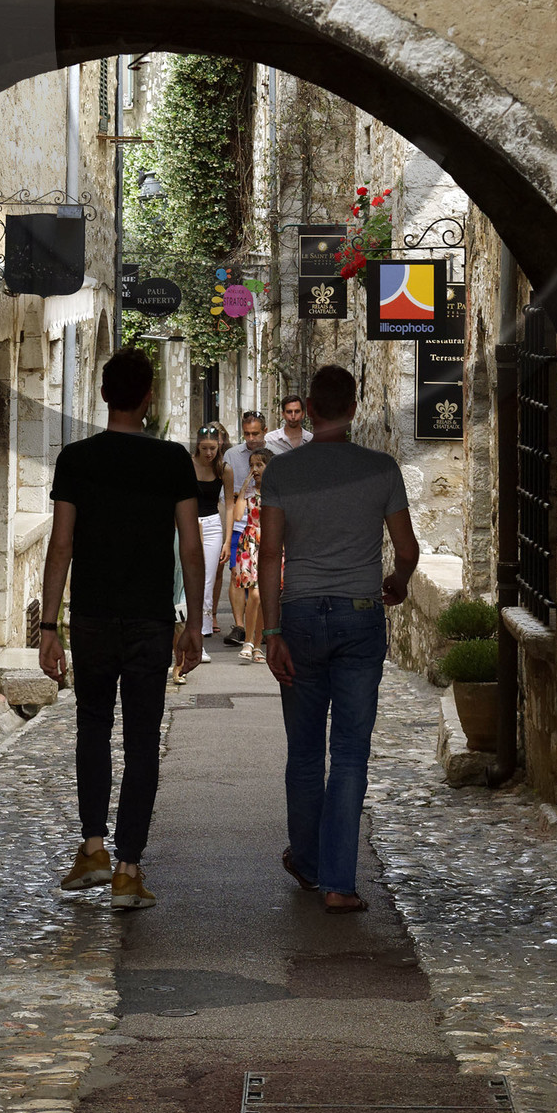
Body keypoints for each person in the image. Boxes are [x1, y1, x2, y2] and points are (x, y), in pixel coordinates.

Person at [39, 348, 204, 910]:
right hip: (149, 620)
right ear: (148, 396)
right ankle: (129, 870)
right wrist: (195, 624)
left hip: (89, 616)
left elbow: (61, 544)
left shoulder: (77, 459)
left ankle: (92, 848)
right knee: (141, 742)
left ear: (103, 394)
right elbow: (189, 545)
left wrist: (47, 624)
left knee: (91, 728)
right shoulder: (172, 462)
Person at [258, 362, 420, 913]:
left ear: (311, 408)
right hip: (359, 614)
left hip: (299, 615)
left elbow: (270, 554)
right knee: (349, 752)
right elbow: (407, 549)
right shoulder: (380, 469)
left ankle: (305, 861)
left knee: (303, 752)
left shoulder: (282, 472)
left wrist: (271, 628)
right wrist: (395, 584)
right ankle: (338, 883)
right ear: (353, 409)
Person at [221, 413, 269, 641]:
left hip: (266, 527)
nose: (250, 438)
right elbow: (228, 498)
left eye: (255, 433)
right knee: (237, 575)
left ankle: (264, 626)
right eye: (247, 434)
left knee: (265, 580)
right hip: (242, 525)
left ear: (265, 431)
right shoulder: (232, 455)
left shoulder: (274, 456)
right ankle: (240, 627)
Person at [228, 443, 270, 661]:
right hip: (250, 542)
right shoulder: (250, 493)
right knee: (253, 593)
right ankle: (249, 641)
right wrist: (244, 487)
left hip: (269, 543)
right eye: (252, 465)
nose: (255, 469)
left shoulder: (276, 492)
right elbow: (237, 516)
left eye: (260, 465)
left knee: (262, 596)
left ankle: (256, 645)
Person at [192, 424, 228, 651]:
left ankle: (203, 629)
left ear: (219, 446)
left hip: (213, 524)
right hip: (191, 522)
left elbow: (231, 504)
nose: (208, 453)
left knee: (208, 577)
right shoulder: (188, 465)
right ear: (198, 446)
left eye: (212, 448)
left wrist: (226, 539)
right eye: (204, 448)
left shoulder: (224, 469)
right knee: (190, 575)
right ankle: (189, 623)